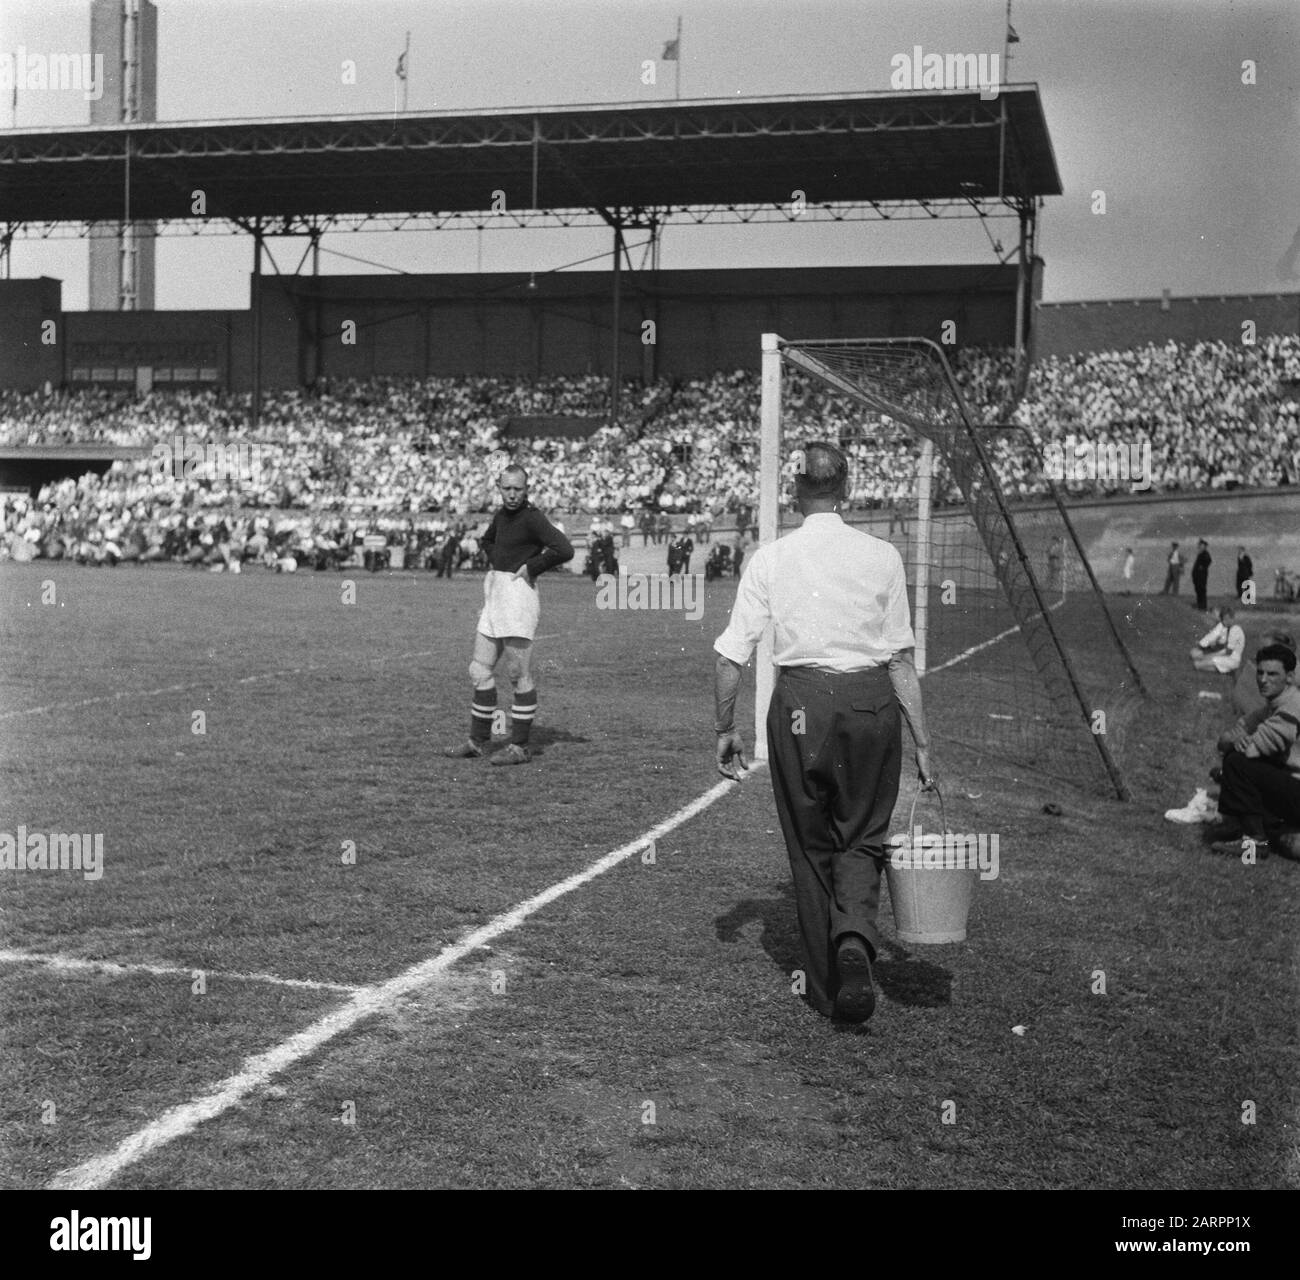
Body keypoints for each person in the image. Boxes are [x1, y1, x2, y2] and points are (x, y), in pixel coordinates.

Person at [711, 442, 933, 1025]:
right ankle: (855, 940)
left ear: (794, 493)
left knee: (809, 844)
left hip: (800, 705)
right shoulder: (883, 555)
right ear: (848, 490)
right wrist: (925, 745)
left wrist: (724, 728)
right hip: (870, 705)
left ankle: (828, 985)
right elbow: (901, 662)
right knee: (862, 836)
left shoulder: (770, 558)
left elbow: (730, 658)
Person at [444, 464, 573, 766]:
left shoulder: (533, 517)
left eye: (518, 489)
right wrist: (499, 562)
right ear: (499, 488)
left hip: (518, 596)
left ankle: (520, 747)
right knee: (479, 670)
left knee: (518, 675)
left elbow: (564, 549)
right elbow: (487, 541)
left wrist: (532, 566)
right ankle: (477, 742)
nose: (512, 494)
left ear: (526, 489)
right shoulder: (501, 516)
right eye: (507, 488)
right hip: (495, 593)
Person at [1210, 644, 1300, 859]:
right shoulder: (1272, 706)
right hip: (1291, 788)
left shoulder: (1292, 707)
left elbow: (1248, 751)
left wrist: (1239, 741)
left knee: (1236, 763)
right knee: (1229, 767)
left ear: (1289, 677)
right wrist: (1237, 739)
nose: (1263, 679)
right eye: (1260, 672)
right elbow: (1225, 740)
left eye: (1272, 674)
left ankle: (1255, 840)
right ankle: (1261, 830)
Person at [1190, 606, 1246, 674]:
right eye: (1223, 619)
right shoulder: (1229, 629)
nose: (1224, 622)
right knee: (1198, 663)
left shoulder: (1235, 630)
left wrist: (1207, 656)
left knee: (1199, 663)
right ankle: (1226, 670)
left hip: (1231, 659)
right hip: (1227, 657)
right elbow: (1214, 637)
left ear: (1232, 618)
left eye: (1226, 619)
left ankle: (1229, 669)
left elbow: (1228, 652)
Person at [1191, 539, 1212, 611]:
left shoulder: (1205, 553)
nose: (1199, 546)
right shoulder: (1201, 553)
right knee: (1198, 590)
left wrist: (1202, 567)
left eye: (1201, 545)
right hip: (1198, 575)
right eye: (1199, 545)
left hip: (1202, 576)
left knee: (1201, 590)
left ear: (1204, 546)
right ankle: (1200, 605)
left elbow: (1209, 561)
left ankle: (1203, 606)